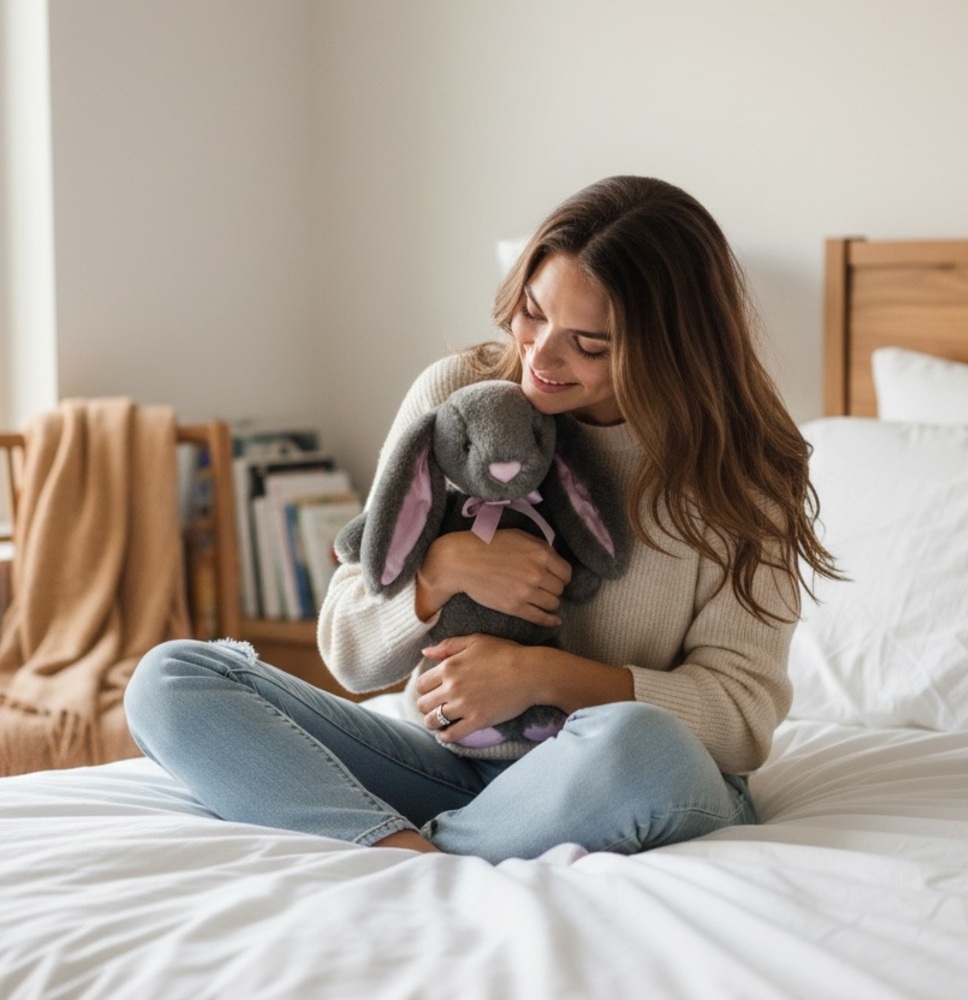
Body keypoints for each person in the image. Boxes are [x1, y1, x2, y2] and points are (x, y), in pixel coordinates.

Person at [125, 176, 838, 864]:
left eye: (589, 344)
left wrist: (541, 675)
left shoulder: (744, 473)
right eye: (533, 311)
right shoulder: (459, 399)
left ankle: (414, 857)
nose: (541, 355)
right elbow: (347, 652)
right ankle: (407, 852)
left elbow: (740, 721)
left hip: (614, 775)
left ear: (671, 349)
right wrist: (439, 574)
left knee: (643, 745)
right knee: (169, 679)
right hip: (448, 767)